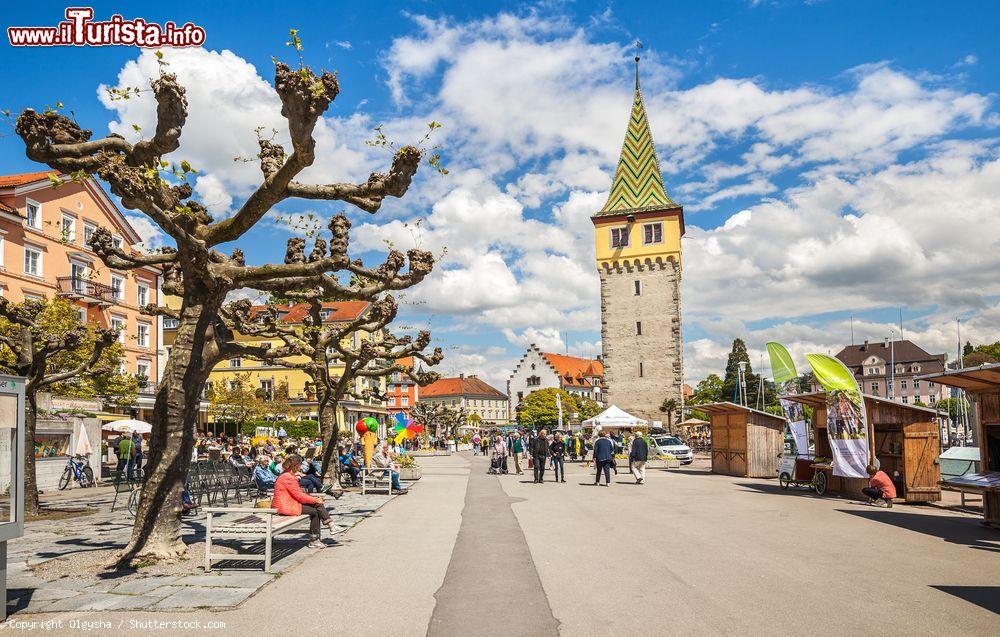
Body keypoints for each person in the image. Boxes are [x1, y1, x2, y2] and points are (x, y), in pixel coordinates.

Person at [273, 454, 342, 548]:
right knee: (315, 509)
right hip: (285, 506)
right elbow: (299, 496)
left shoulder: (287, 474)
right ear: (296, 465)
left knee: (316, 506)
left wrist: (314, 500)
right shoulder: (289, 477)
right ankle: (324, 532)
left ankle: (328, 528)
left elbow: (298, 495)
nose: (301, 466)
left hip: (289, 503)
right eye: (300, 464)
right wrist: (315, 499)